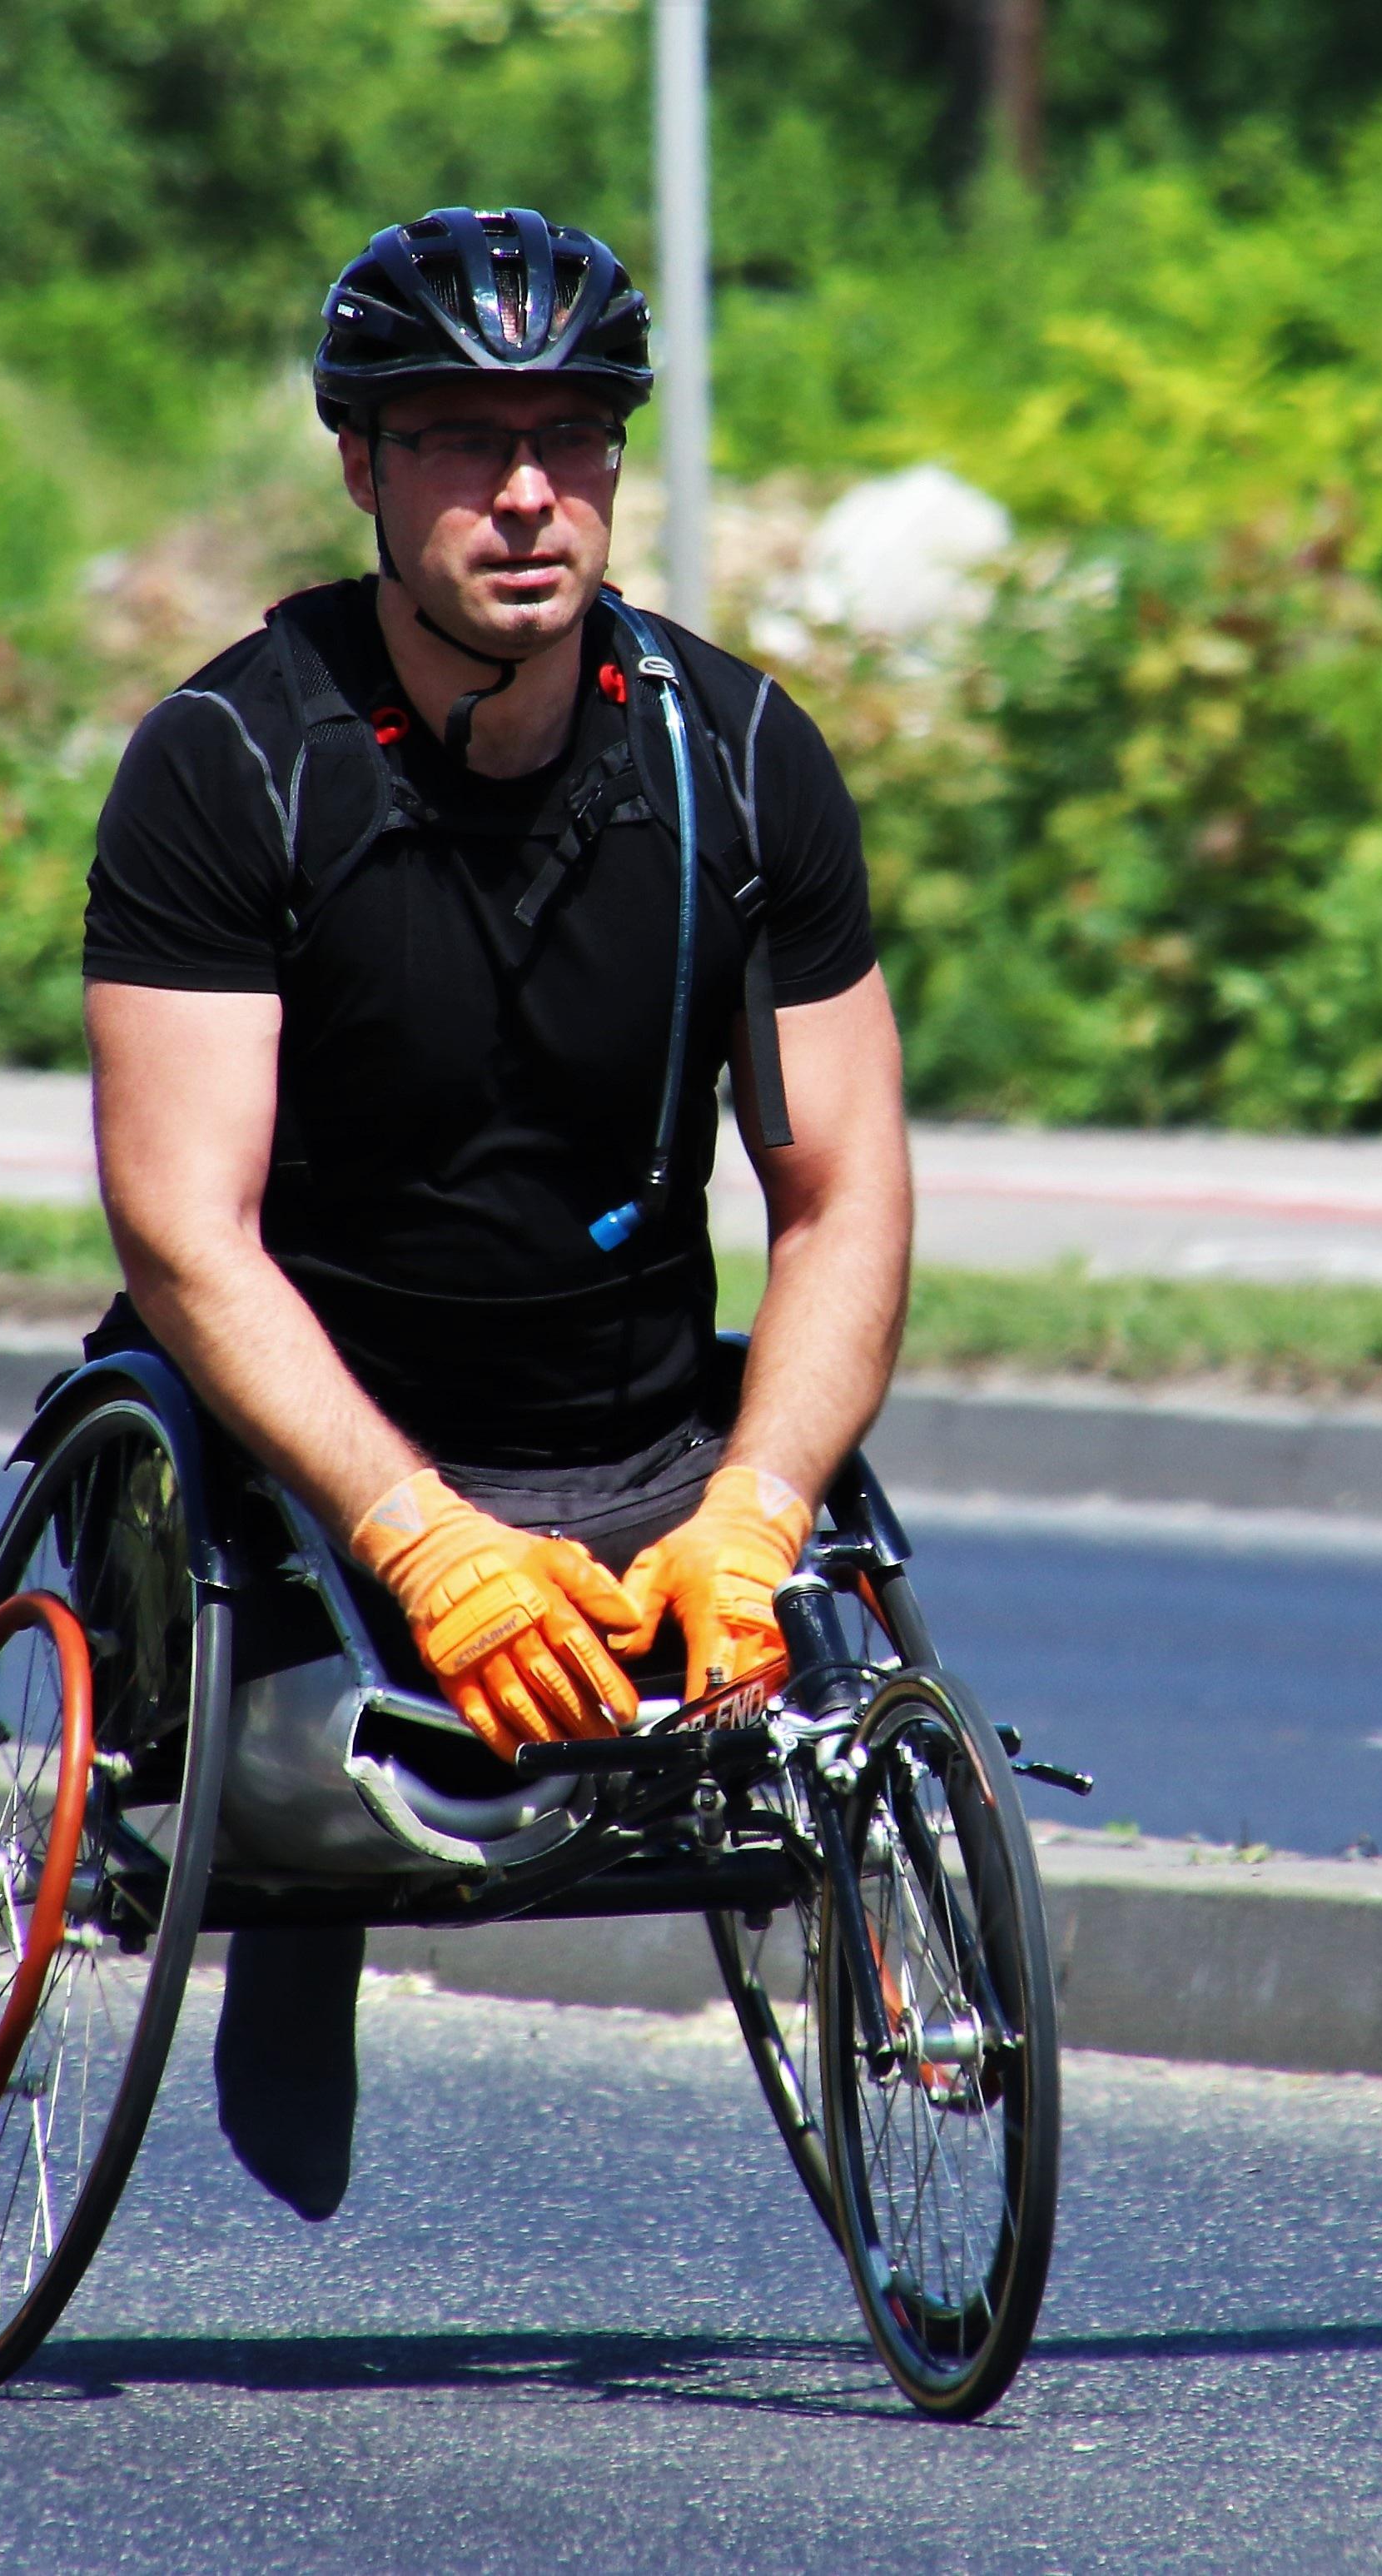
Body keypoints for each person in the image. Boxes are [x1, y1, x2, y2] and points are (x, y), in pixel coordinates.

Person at [78, 206, 912, 2219]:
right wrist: (421, 1537)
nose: (525, 491)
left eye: (571, 433)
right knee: (249, 1623)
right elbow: (183, 1223)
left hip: (633, 1416)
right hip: (318, 1445)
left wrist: (761, 1499)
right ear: (359, 463)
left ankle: (902, 1982)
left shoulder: (740, 755)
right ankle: (291, 1919)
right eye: (459, 436)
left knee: (839, 1629)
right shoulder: (227, 763)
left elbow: (843, 1186)